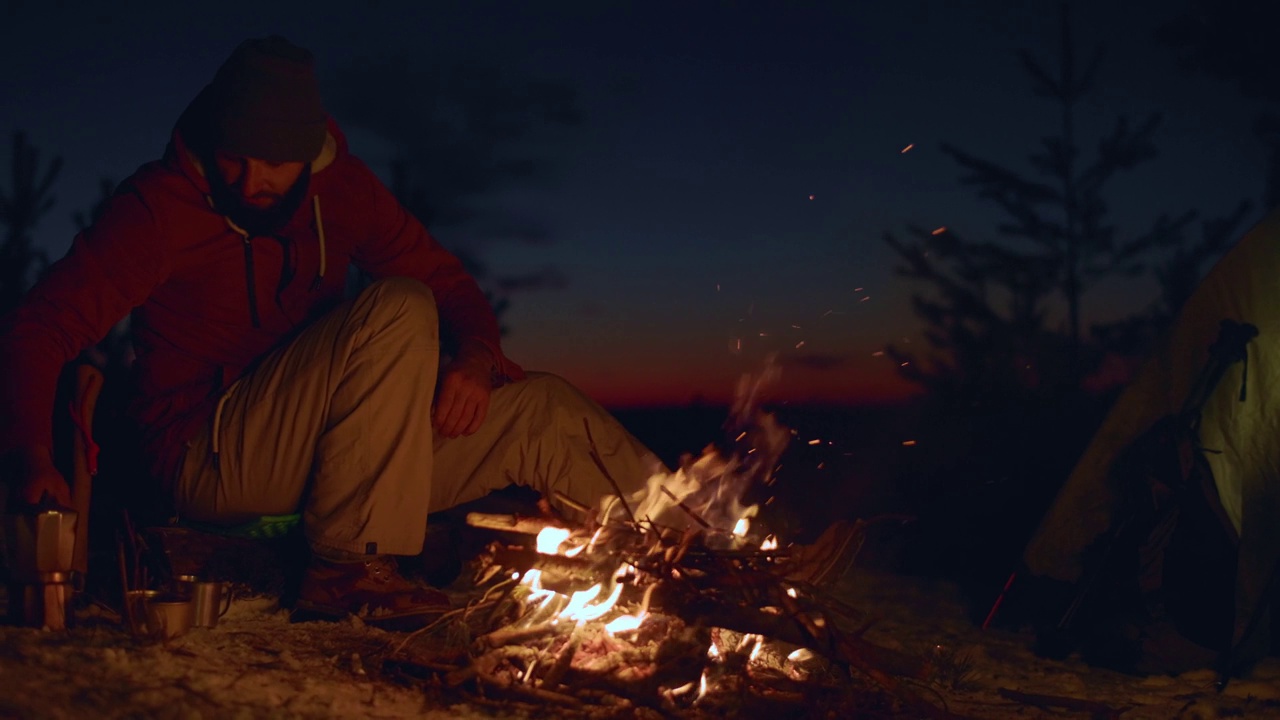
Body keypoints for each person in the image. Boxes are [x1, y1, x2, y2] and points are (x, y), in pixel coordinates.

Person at [0, 36, 855, 629]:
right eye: (235, 157)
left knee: (542, 407)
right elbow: (40, 327)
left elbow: (451, 283)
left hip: (333, 451)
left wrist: (477, 362)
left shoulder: (346, 190)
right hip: (208, 453)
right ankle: (347, 574)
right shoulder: (158, 209)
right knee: (398, 305)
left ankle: (705, 548)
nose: (252, 178)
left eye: (274, 161)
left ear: (311, 151)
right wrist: (35, 456)